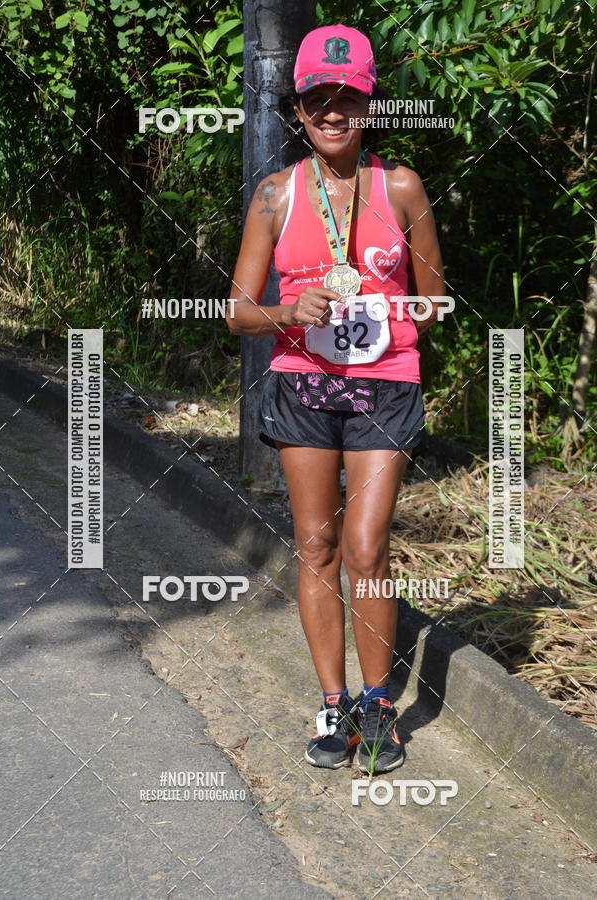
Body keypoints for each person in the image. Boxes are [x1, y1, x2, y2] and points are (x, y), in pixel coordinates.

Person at [226, 24, 445, 774]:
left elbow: (434, 299)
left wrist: (385, 314)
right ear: (297, 105)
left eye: (346, 97)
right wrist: (290, 313)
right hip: (302, 384)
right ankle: (332, 702)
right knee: (317, 544)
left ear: (368, 103)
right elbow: (236, 310)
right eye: (318, 96)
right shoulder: (275, 194)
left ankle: (379, 704)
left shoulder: (403, 187)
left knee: (365, 545)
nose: (332, 110)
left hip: (386, 384)